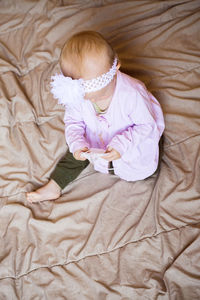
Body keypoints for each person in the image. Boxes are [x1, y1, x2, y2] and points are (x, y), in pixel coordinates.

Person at [27, 31, 165, 203]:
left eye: (100, 96)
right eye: (87, 98)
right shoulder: (79, 95)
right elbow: (73, 122)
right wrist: (78, 145)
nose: (92, 101)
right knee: (74, 154)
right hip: (97, 138)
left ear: (116, 70)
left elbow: (146, 127)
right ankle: (54, 186)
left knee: (145, 162)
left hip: (133, 135)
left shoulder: (132, 94)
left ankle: (144, 152)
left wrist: (121, 145)